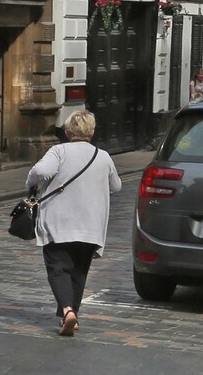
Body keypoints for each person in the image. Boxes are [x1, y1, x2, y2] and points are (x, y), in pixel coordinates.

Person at [26, 108, 122, 337]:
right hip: (91, 225)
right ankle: (72, 316)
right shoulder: (103, 156)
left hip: (59, 222)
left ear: (68, 132)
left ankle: (67, 310)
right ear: (92, 131)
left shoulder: (59, 151)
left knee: (58, 268)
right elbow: (116, 186)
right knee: (79, 271)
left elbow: (41, 171)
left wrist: (30, 182)